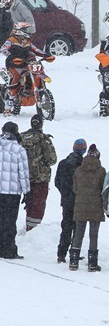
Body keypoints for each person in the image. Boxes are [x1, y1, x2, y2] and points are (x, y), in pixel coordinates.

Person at [70, 144, 106, 272]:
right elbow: (103, 189)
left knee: (78, 233)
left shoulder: (78, 170)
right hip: (95, 205)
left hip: (80, 205)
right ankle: (92, 263)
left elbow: (75, 188)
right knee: (93, 235)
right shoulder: (101, 171)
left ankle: (73, 261)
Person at [1, 22, 48, 116]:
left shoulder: (27, 42)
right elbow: (3, 49)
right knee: (15, 79)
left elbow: (35, 50)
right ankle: (8, 107)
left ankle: (33, 90)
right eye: (26, 30)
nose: (28, 32)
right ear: (19, 30)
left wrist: (45, 55)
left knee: (35, 73)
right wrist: (11, 56)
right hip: (13, 64)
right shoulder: (11, 40)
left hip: (26, 63)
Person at [20, 114, 57, 231]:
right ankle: (34, 229)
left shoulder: (21, 137)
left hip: (24, 177)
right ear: (41, 124)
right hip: (40, 178)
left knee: (29, 202)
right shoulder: (43, 139)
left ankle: (28, 224)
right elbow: (52, 160)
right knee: (38, 203)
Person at [0, 121, 30, 259]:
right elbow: (23, 173)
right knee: (9, 221)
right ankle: (8, 249)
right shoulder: (19, 150)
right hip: (12, 192)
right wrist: (27, 191)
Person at [54, 139, 87, 263]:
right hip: (78, 201)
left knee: (66, 227)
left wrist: (64, 193)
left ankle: (61, 253)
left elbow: (57, 182)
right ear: (84, 150)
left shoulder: (63, 163)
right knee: (77, 228)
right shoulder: (83, 165)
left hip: (66, 200)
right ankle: (74, 252)